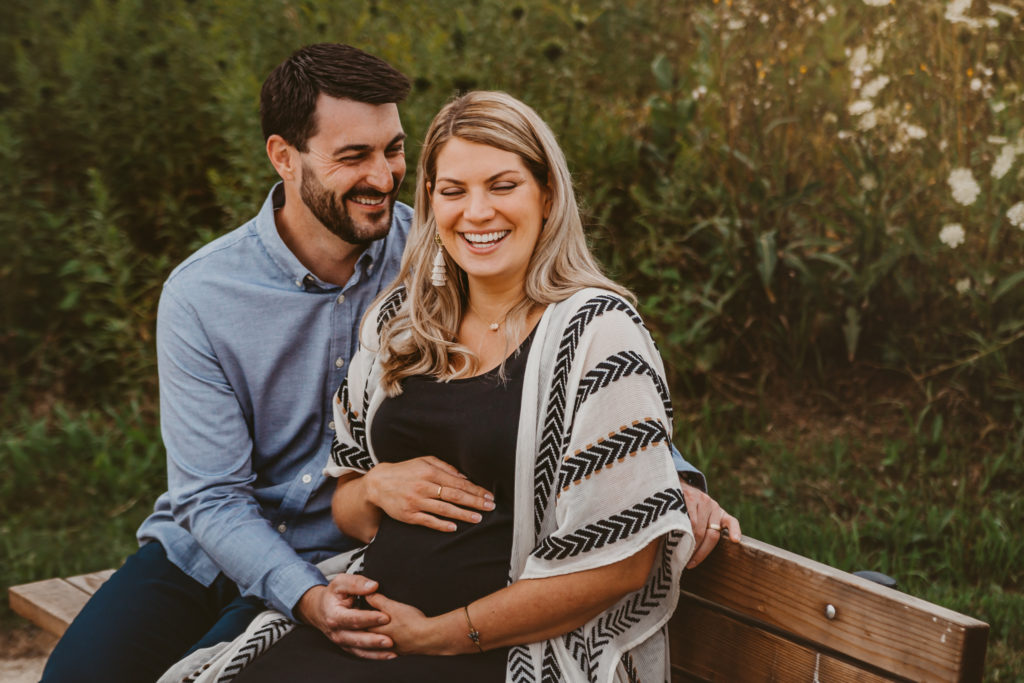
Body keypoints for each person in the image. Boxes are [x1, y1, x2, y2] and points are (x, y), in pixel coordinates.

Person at [42, 43, 732, 683]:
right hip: (219, 547)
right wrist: (308, 593)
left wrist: (666, 476)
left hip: (352, 557)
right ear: (284, 156)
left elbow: (573, 365)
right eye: (353, 156)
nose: (383, 178)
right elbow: (211, 498)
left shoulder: (439, 253)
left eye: (394, 151)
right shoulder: (203, 294)